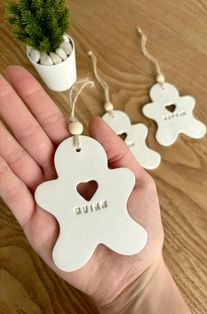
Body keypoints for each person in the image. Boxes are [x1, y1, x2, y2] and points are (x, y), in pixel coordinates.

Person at [0, 66, 190, 313]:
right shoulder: (57, 190)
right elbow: (49, 195)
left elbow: (120, 180)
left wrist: (140, 282)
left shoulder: (116, 180)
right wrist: (138, 286)